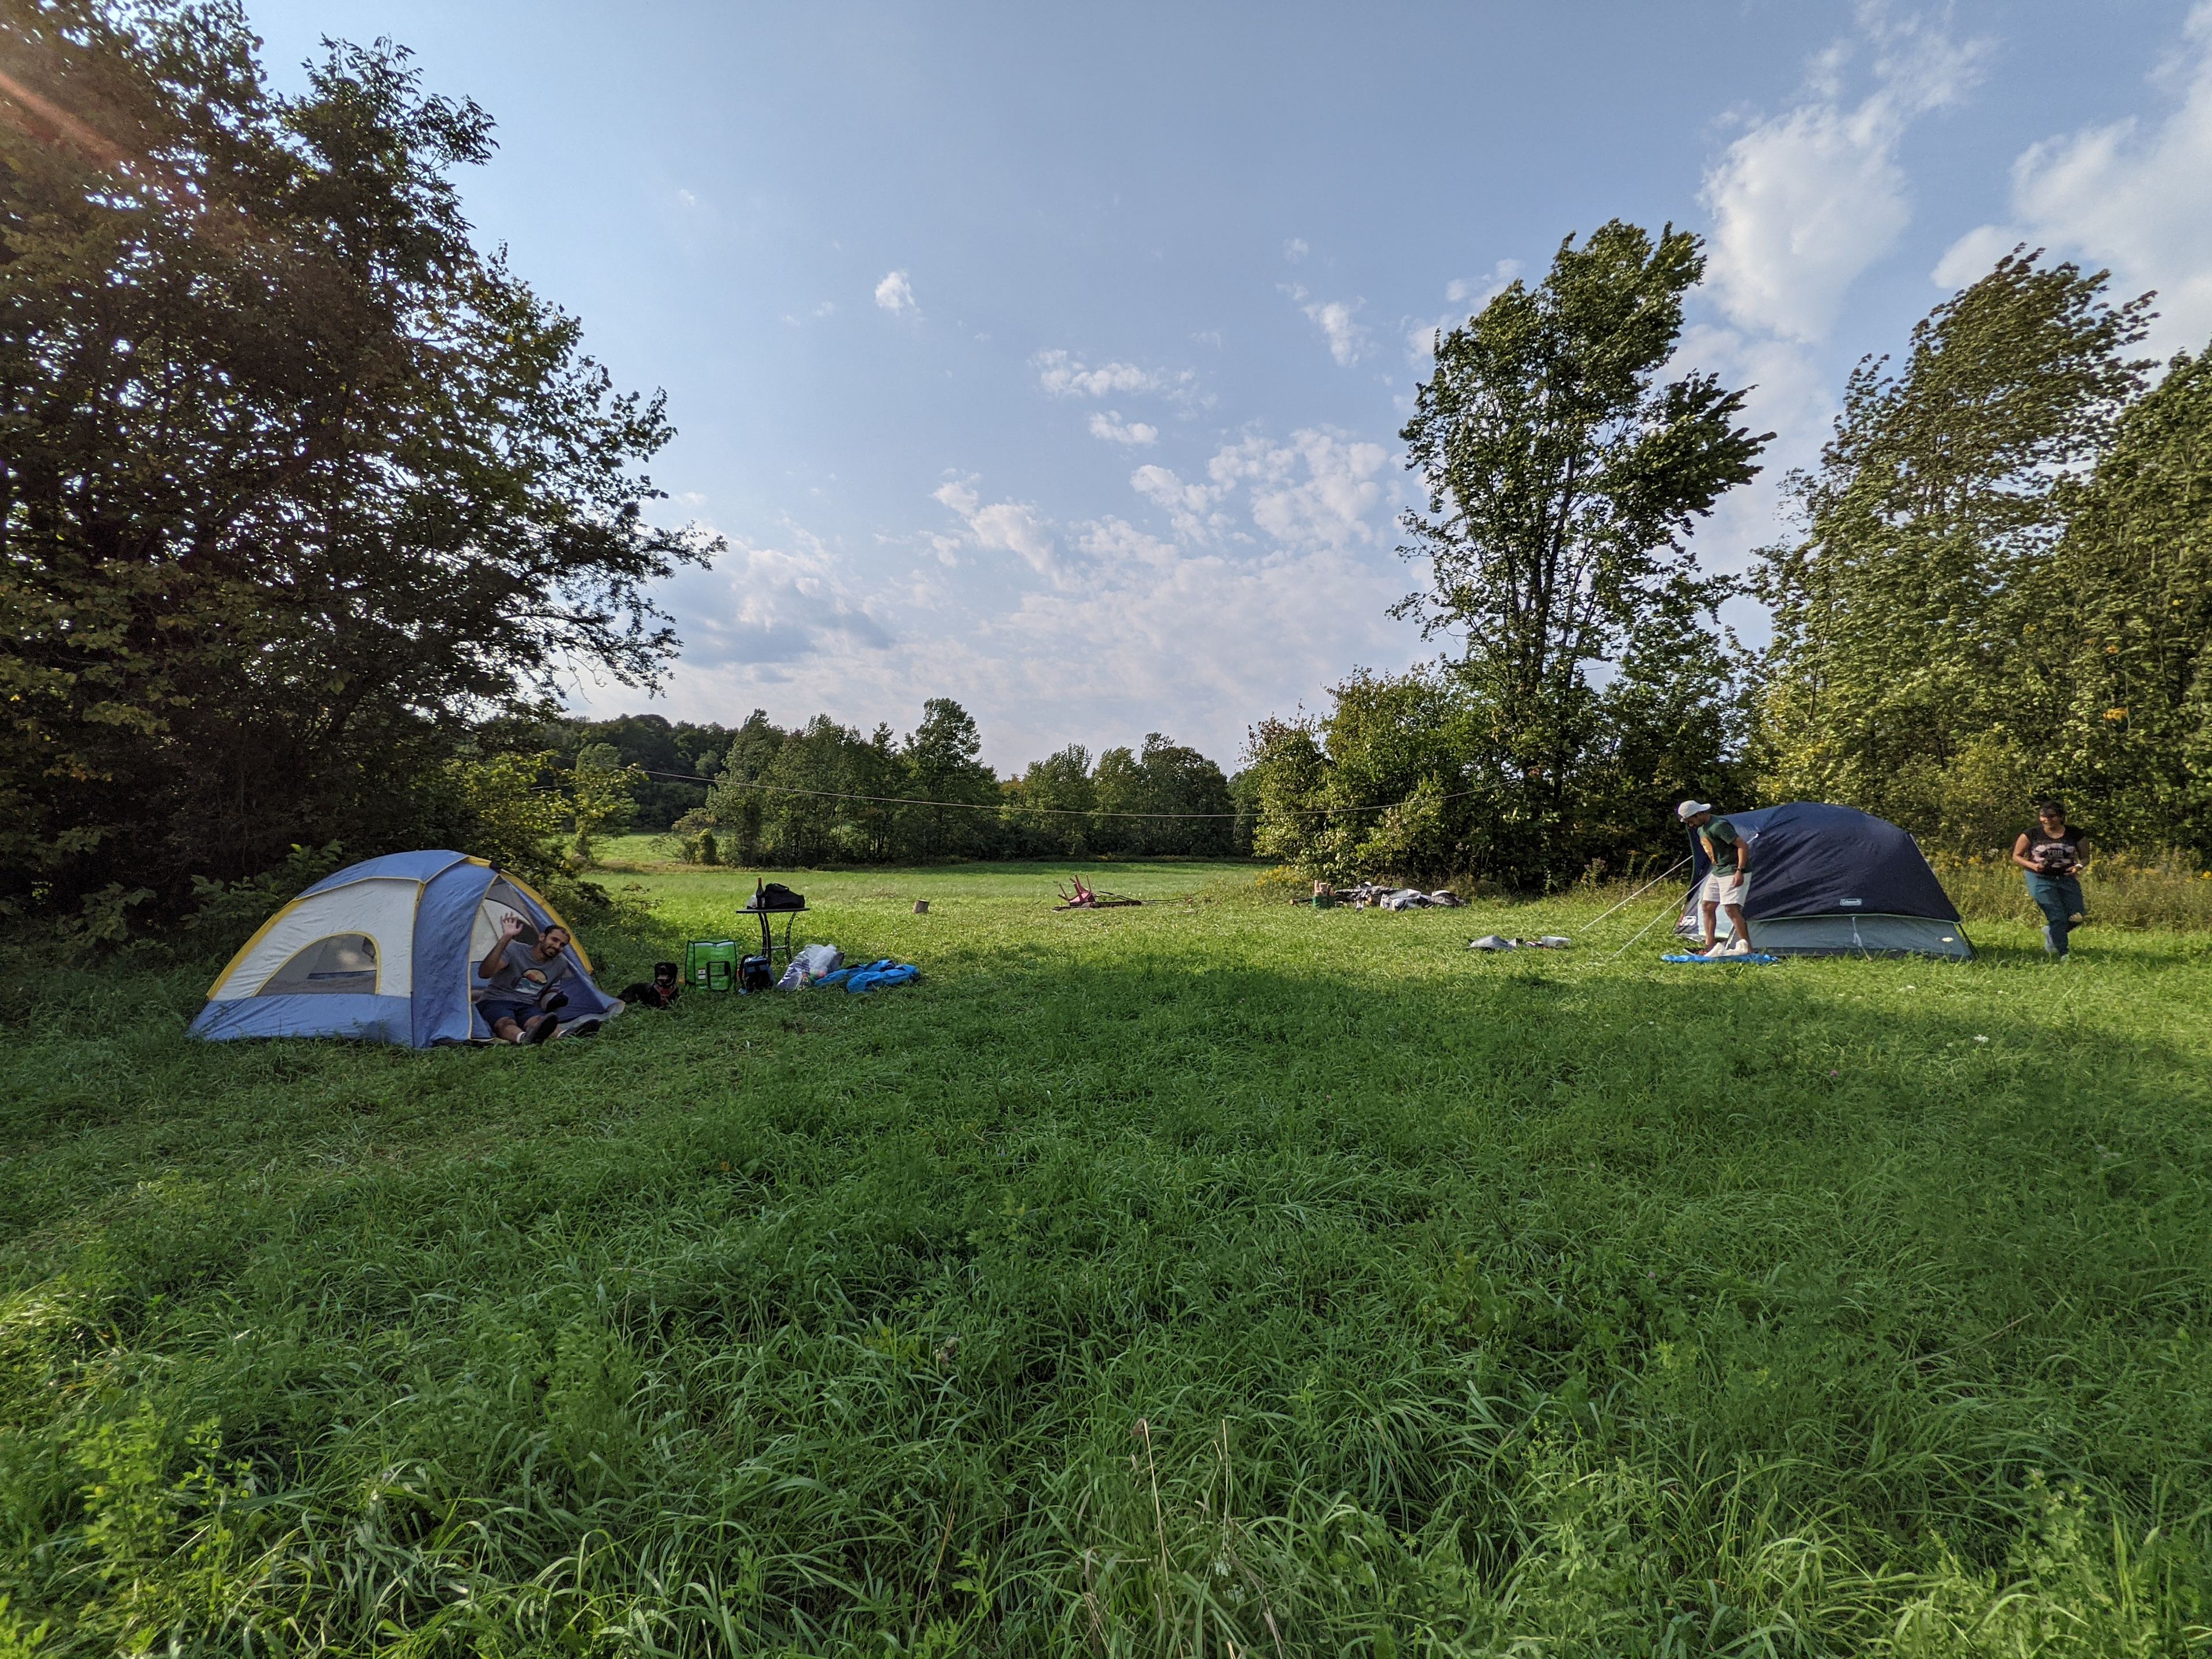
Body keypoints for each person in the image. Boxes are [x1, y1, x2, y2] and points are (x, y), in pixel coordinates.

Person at [479, 913, 575, 1043]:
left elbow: (546, 990)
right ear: (542, 937)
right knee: (505, 1023)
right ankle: (524, 1038)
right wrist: (506, 938)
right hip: (496, 1000)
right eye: (554, 940)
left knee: (540, 1022)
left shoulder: (560, 965)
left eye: (562, 945)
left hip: (527, 1004)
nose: (557, 946)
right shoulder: (515, 950)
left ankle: (565, 1035)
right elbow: (485, 973)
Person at [2013, 800, 2089, 957]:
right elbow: (2016, 856)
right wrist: (2032, 866)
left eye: (2051, 816)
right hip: (2039, 878)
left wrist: (2078, 867)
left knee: (2078, 915)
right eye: (2043, 816)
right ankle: (2063, 953)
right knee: (2057, 916)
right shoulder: (2032, 834)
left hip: (2066, 878)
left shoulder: (2075, 834)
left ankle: (2052, 932)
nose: (2046, 819)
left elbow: (2086, 858)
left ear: (2061, 817)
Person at [1678, 800, 1752, 955]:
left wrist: (1740, 870)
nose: (1690, 825)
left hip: (1732, 869)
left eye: (1691, 821)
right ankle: (1709, 947)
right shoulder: (1700, 829)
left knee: (1731, 908)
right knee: (1707, 906)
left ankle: (1748, 949)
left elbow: (1742, 845)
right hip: (1717, 871)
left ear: (1698, 814)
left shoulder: (1719, 826)